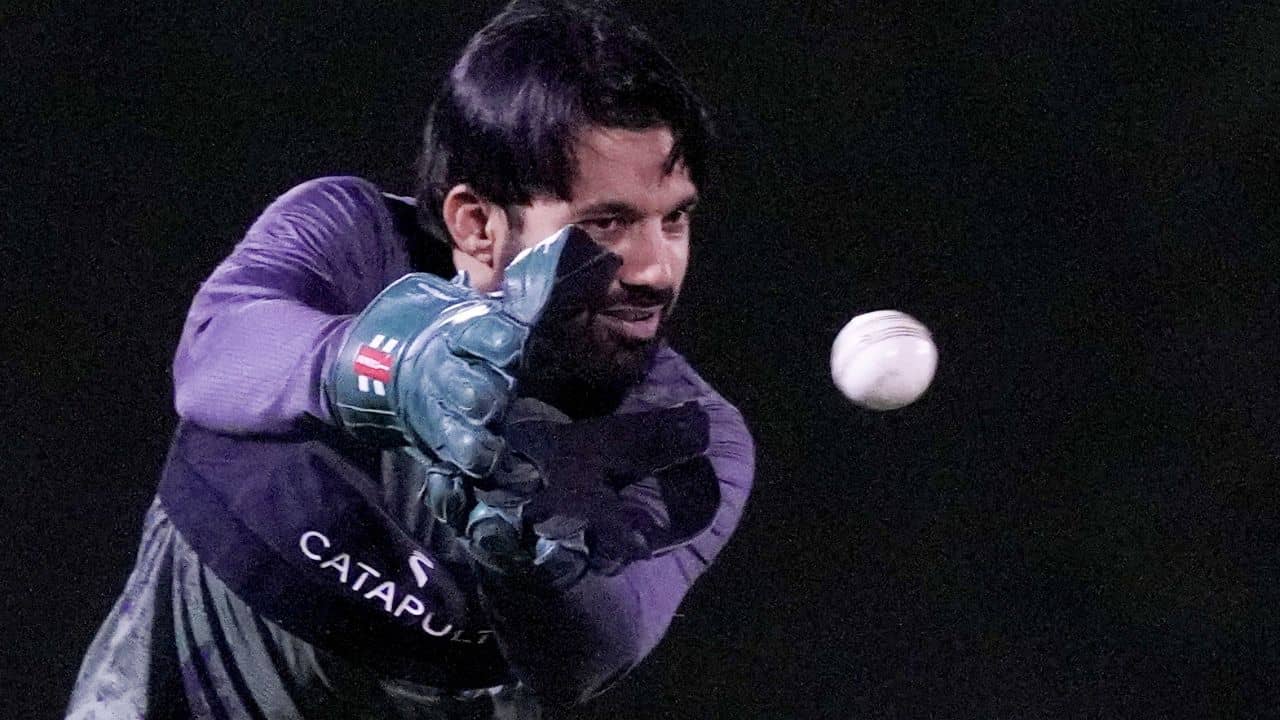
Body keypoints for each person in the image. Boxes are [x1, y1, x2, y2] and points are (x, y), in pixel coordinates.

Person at [66, 1, 754, 718]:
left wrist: (528, 556)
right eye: (607, 223)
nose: (656, 270)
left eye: (674, 218)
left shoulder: (689, 436)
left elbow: (590, 657)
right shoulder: (349, 241)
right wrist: (401, 373)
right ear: (477, 223)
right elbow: (214, 355)